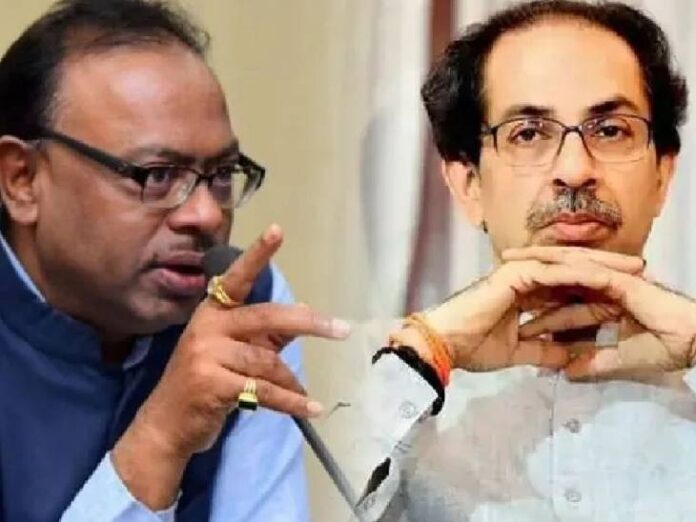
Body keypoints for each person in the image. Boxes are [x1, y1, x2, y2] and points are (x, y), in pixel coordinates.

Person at [329, 1, 696, 520]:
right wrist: (425, 356)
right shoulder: (372, 382)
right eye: (529, 133)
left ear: (663, 175)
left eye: (610, 130)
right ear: (468, 185)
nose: (575, 170)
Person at [0, 0, 349, 521]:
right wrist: (161, 439)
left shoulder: (244, 303)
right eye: (156, 175)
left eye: (222, 174)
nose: (206, 215)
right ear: (22, 180)